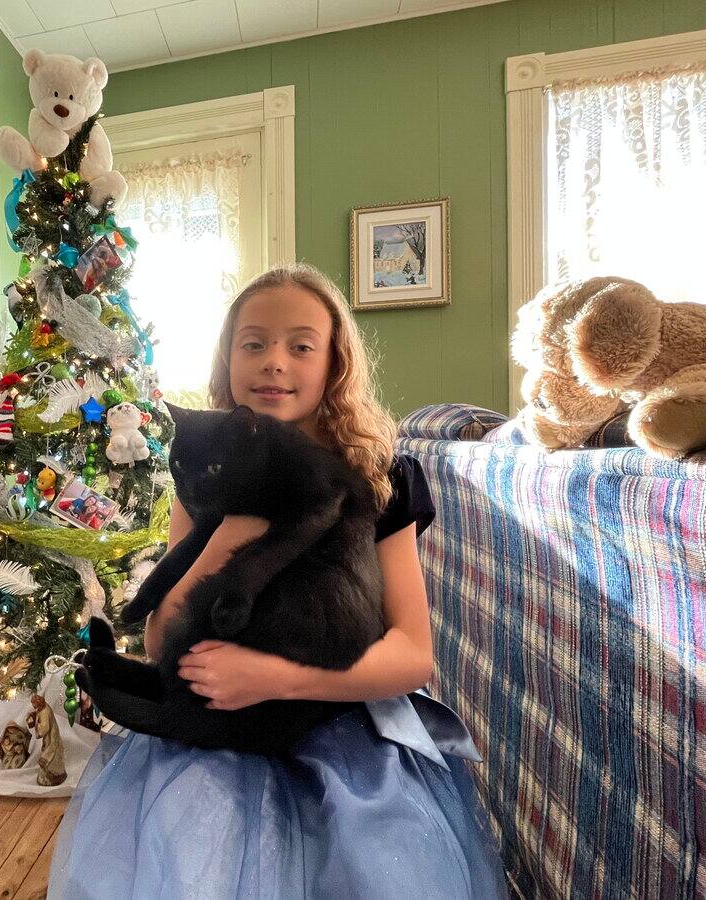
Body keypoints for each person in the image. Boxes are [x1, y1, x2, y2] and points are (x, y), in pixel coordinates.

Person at [48, 264, 507, 898]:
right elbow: (160, 640)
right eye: (254, 343)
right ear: (228, 358)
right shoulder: (205, 474)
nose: (273, 363)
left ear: (334, 363)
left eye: (300, 345)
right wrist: (235, 530)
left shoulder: (381, 476)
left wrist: (279, 678)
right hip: (216, 739)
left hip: (346, 728)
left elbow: (412, 654)